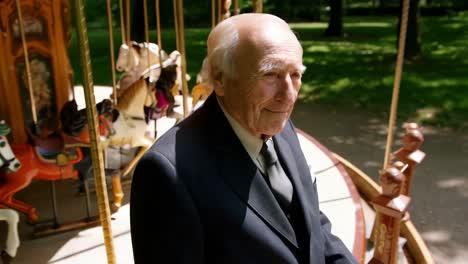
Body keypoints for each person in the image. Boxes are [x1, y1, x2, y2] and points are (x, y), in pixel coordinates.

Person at [130, 13, 358, 264]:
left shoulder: (276, 122)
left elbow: (312, 223)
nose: (289, 95)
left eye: (295, 75)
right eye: (270, 75)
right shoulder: (167, 173)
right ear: (220, 79)